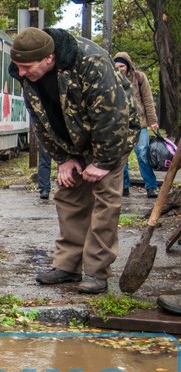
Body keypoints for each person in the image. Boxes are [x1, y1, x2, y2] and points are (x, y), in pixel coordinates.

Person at [8, 27, 139, 294]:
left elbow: (111, 116)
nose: (21, 73)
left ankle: (96, 272)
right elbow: (41, 123)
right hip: (72, 140)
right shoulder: (28, 77)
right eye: (17, 67)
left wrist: (102, 162)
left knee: (104, 200)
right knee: (68, 196)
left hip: (112, 137)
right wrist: (64, 159)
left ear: (49, 58)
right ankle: (67, 266)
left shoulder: (90, 61)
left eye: (26, 67)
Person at [114, 52, 160, 198]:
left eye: (122, 66)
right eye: (117, 66)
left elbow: (148, 100)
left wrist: (153, 121)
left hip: (139, 124)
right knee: (122, 157)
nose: (120, 69)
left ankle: (151, 186)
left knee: (143, 154)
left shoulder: (139, 77)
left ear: (128, 65)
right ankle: (124, 186)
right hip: (120, 124)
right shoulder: (111, 78)